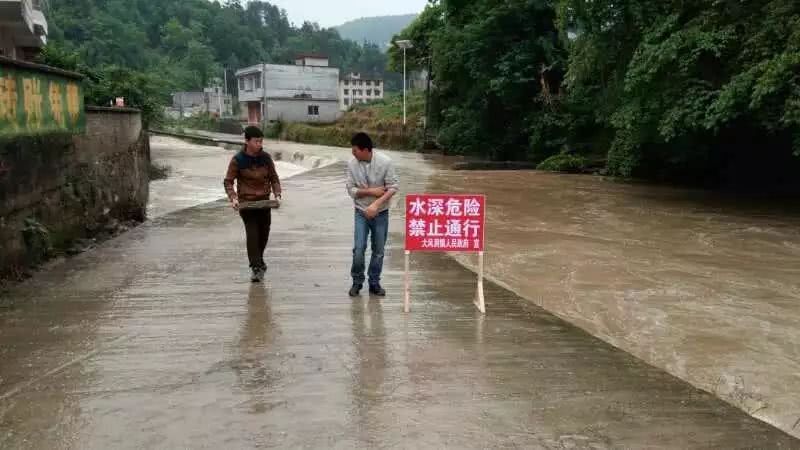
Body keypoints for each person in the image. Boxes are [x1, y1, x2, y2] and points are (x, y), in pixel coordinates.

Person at [224, 126, 282, 282]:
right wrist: (233, 198)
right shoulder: (238, 160)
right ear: (247, 141)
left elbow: (274, 178)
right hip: (246, 204)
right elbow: (228, 181)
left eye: (261, 141)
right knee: (252, 235)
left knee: (263, 235)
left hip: (264, 203)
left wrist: (277, 194)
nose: (259, 144)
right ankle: (256, 268)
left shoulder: (266, 158)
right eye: (256, 141)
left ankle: (259, 261)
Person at [346, 132, 399, 297]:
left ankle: (374, 283)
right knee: (359, 248)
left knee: (378, 250)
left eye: (355, 150)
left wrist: (376, 204)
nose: (352, 153)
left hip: (381, 213)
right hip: (360, 212)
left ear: (365, 150)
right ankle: (357, 282)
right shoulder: (352, 164)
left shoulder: (385, 162)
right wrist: (371, 191)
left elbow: (393, 187)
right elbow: (351, 189)